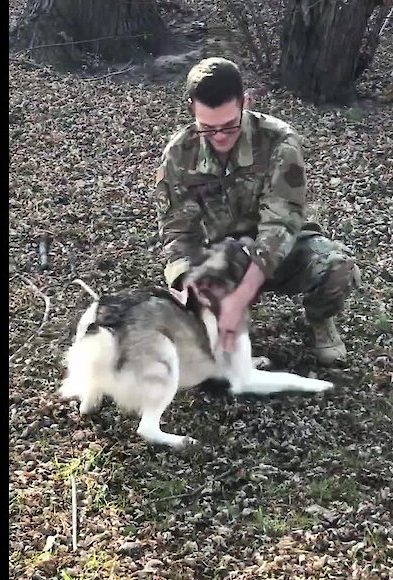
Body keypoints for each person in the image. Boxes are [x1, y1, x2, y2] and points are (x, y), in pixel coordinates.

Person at [154, 57, 361, 365]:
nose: (220, 137)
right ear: (191, 110)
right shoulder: (179, 154)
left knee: (337, 269)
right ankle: (227, 337)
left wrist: (242, 295)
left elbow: (280, 224)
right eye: (208, 128)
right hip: (225, 257)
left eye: (229, 125)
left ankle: (320, 320)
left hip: (284, 251)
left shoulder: (279, 140)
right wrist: (190, 284)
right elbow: (177, 231)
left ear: (245, 102)